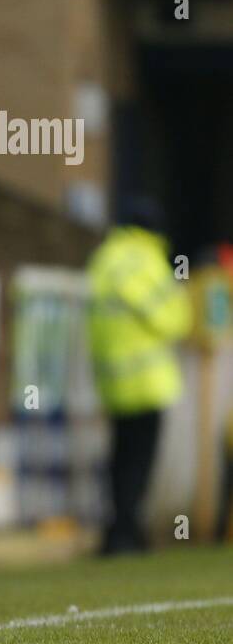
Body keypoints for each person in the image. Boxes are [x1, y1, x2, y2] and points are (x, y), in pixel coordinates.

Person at [86, 198, 192, 554]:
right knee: (139, 462)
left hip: (112, 380)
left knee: (118, 458)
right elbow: (172, 320)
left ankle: (117, 530)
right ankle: (128, 534)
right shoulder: (146, 260)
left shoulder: (105, 258)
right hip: (146, 381)